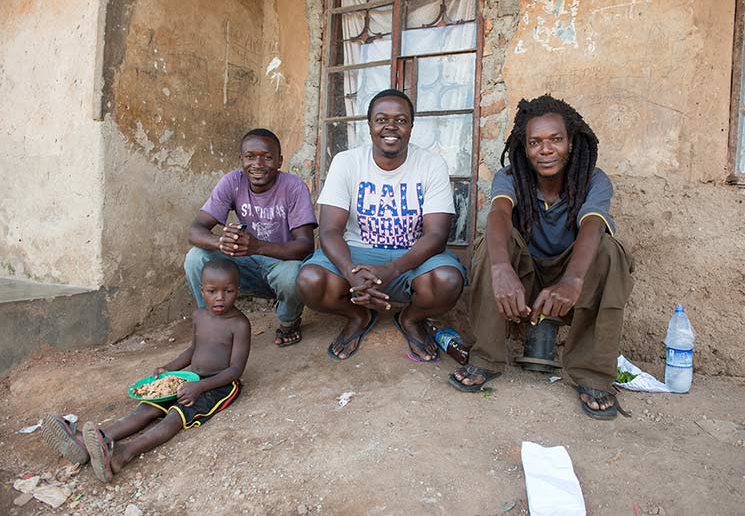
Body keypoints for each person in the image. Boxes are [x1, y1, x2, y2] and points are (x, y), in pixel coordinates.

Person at [451, 95, 634, 420]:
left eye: (556, 140)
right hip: (523, 282)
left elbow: (592, 226)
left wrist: (572, 280)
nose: (546, 150)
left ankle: (593, 375)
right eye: (535, 142)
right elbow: (499, 214)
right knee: (489, 244)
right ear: (524, 147)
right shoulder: (510, 177)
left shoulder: (594, 180)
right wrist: (501, 268)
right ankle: (485, 358)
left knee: (610, 251)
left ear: (571, 142)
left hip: (572, 283)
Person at [40, 259, 251, 481]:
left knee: (175, 415)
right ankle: (87, 443)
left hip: (219, 385)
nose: (220, 297)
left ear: (238, 290)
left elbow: (236, 369)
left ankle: (123, 454)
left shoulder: (239, 324)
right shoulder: (199, 316)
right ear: (201, 290)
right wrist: (169, 369)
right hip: (190, 379)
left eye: (228, 291)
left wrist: (200, 386)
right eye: (212, 291)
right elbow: (193, 350)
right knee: (148, 408)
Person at [296, 89, 466, 362]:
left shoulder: (431, 164)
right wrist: (350, 273)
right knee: (310, 281)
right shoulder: (347, 162)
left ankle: (411, 318)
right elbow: (329, 231)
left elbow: (437, 234)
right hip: (357, 256)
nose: (391, 127)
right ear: (369, 125)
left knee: (447, 280)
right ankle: (358, 315)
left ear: (411, 126)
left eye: (401, 120)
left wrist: (392, 269)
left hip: (411, 258)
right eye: (381, 119)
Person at [184, 128, 316, 347]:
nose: (258, 164)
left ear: (280, 161)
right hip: (245, 263)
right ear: (241, 160)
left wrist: (257, 246)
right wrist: (221, 242)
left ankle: (288, 322)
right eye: (250, 157)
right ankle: (212, 322)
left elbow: (306, 246)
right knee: (196, 258)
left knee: (293, 274)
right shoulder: (233, 182)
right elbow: (195, 230)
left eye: (267, 157)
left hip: (280, 263)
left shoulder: (293, 187)